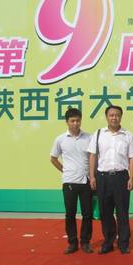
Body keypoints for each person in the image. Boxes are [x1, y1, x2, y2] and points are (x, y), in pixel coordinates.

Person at [88, 105, 133, 255]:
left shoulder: (128, 135)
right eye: (111, 115)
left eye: (117, 115)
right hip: (102, 177)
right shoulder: (98, 134)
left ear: (121, 117)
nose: (114, 118)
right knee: (105, 211)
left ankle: (123, 243)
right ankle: (108, 242)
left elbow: (132, 157)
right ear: (107, 117)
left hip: (121, 177)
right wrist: (92, 176)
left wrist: (131, 177)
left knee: (122, 211)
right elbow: (92, 156)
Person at [50, 108, 94, 254]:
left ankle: (85, 242)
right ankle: (72, 243)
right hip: (69, 182)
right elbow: (53, 158)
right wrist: (64, 170)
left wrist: (93, 176)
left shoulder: (88, 138)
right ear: (67, 122)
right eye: (72, 121)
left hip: (86, 181)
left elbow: (93, 158)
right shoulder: (60, 139)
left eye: (78, 120)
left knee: (87, 214)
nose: (75, 123)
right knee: (70, 214)